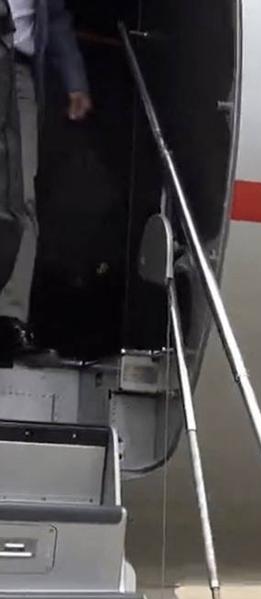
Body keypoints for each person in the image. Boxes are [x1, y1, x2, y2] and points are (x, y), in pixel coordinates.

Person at [0, 0, 91, 363]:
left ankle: (8, 318)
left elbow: (53, 15)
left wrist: (75, 80)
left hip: (18, 74)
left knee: (20, 197)